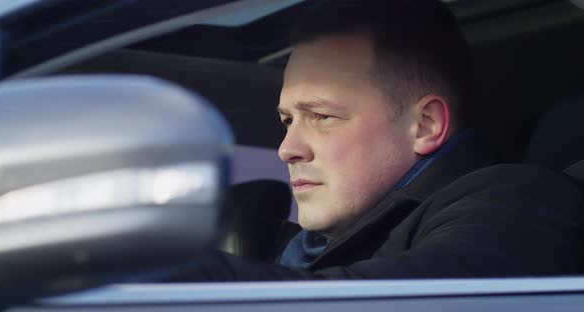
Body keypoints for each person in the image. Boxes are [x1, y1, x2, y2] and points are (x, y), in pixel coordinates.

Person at [166, 0, 584, 281]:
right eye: (288, 120)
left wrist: (160, 275)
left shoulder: (516, 201)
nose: (287, 148)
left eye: (322, 116)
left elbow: (417, 300)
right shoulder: (299, 250)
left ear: (424, 125)